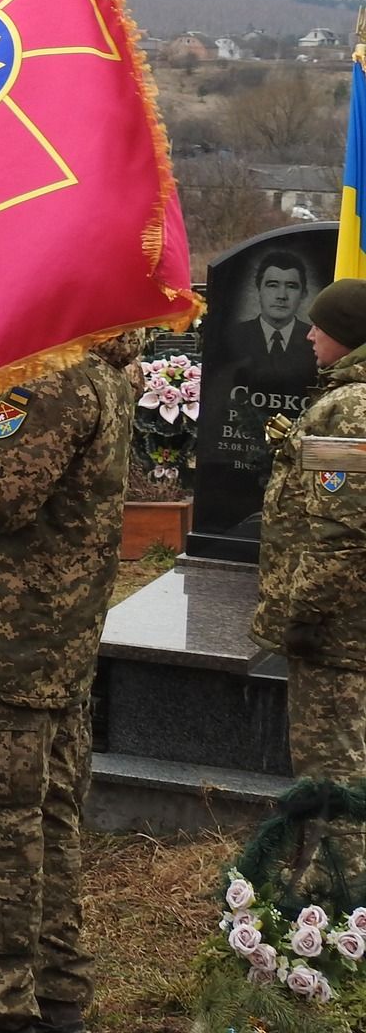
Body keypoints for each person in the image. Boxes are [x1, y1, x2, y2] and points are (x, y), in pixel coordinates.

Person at [0, 336, 138, 1033]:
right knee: (49, 820)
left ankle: (4, 1007)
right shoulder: (101, 372)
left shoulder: (50, 378)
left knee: (1, 831)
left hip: (13, 646)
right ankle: (59, 987)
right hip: (55, 641)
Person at [252, 281, 366, 827]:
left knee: (331, 775)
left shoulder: (347, 411)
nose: (310, 334)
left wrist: (306, 614)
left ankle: (335, 876)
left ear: (346, 333)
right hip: (347, 625)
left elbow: (341, 534)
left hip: (335, 634)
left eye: (320, 325)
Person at [222, 249, 318, 399]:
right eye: (273, 285)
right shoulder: (233, 336)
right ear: (258, 290)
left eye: (291, 286)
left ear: (303, 294)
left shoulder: (316, 341)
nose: (281, 296)